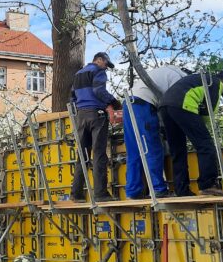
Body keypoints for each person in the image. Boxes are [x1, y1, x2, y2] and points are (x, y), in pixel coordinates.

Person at [158, 70, 223, 197]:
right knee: (205, 144)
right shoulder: (216, 83)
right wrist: (199, 130)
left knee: (178, 150)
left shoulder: (199, 79)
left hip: (164, 106)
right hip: (183, 103)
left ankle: (182, 190)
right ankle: (208, 185)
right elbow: (209, 113)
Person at [122, 65, 187, 199]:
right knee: (152, 148)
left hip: (128, 103)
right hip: (143, 105)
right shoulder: (180, 78)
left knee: (134, 151)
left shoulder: (165, 72)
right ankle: (159, 189)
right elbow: (172, 104)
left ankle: (133, 191)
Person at [70, 52, 121, 202]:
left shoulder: (78, 74)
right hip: (96, 115)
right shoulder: (98, 71)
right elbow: (99, 91)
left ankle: (76, 194)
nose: (106, 68)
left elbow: (72, 97)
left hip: (81, 116)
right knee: (99, 154)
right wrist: (114, 103)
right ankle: (100, 194)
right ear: (99, 60)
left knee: (83, 155)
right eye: (106, 64)